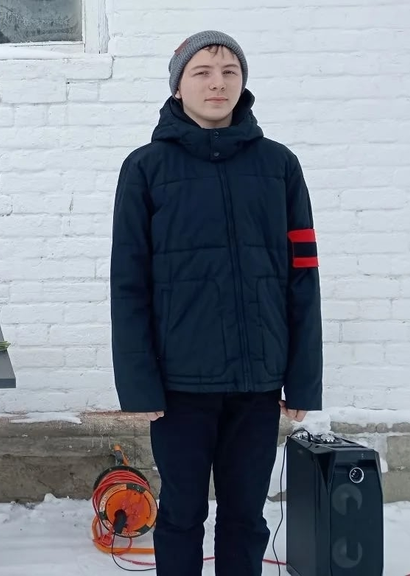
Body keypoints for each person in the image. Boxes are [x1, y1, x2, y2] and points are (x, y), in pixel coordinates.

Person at [110, 31, 322, 576]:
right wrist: (138, 383)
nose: (217, 82)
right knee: (181, 515)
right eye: (202, 71)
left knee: (246, 517)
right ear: (178, 87)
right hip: (179, 385)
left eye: (230, 71)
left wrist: (302, 379)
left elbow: (303, 276)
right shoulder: (146, 169)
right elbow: (128, 284)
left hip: (257, 383)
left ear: (243, 83)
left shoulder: (279, 166)